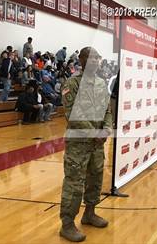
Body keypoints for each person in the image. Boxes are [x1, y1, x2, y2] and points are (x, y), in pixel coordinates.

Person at [59, 47, 113, 242]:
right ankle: (67, 225)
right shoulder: (71, 84)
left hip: (97, 144)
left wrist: (107, 129)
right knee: (74, 183)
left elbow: (107, 110)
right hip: (78, 144)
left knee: (95, 179)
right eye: (90, 58)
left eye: (97, 58)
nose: (95, 61)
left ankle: (89, 214)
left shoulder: (101, 83)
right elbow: (72, 114)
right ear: (81, 60)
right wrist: (94, 132)